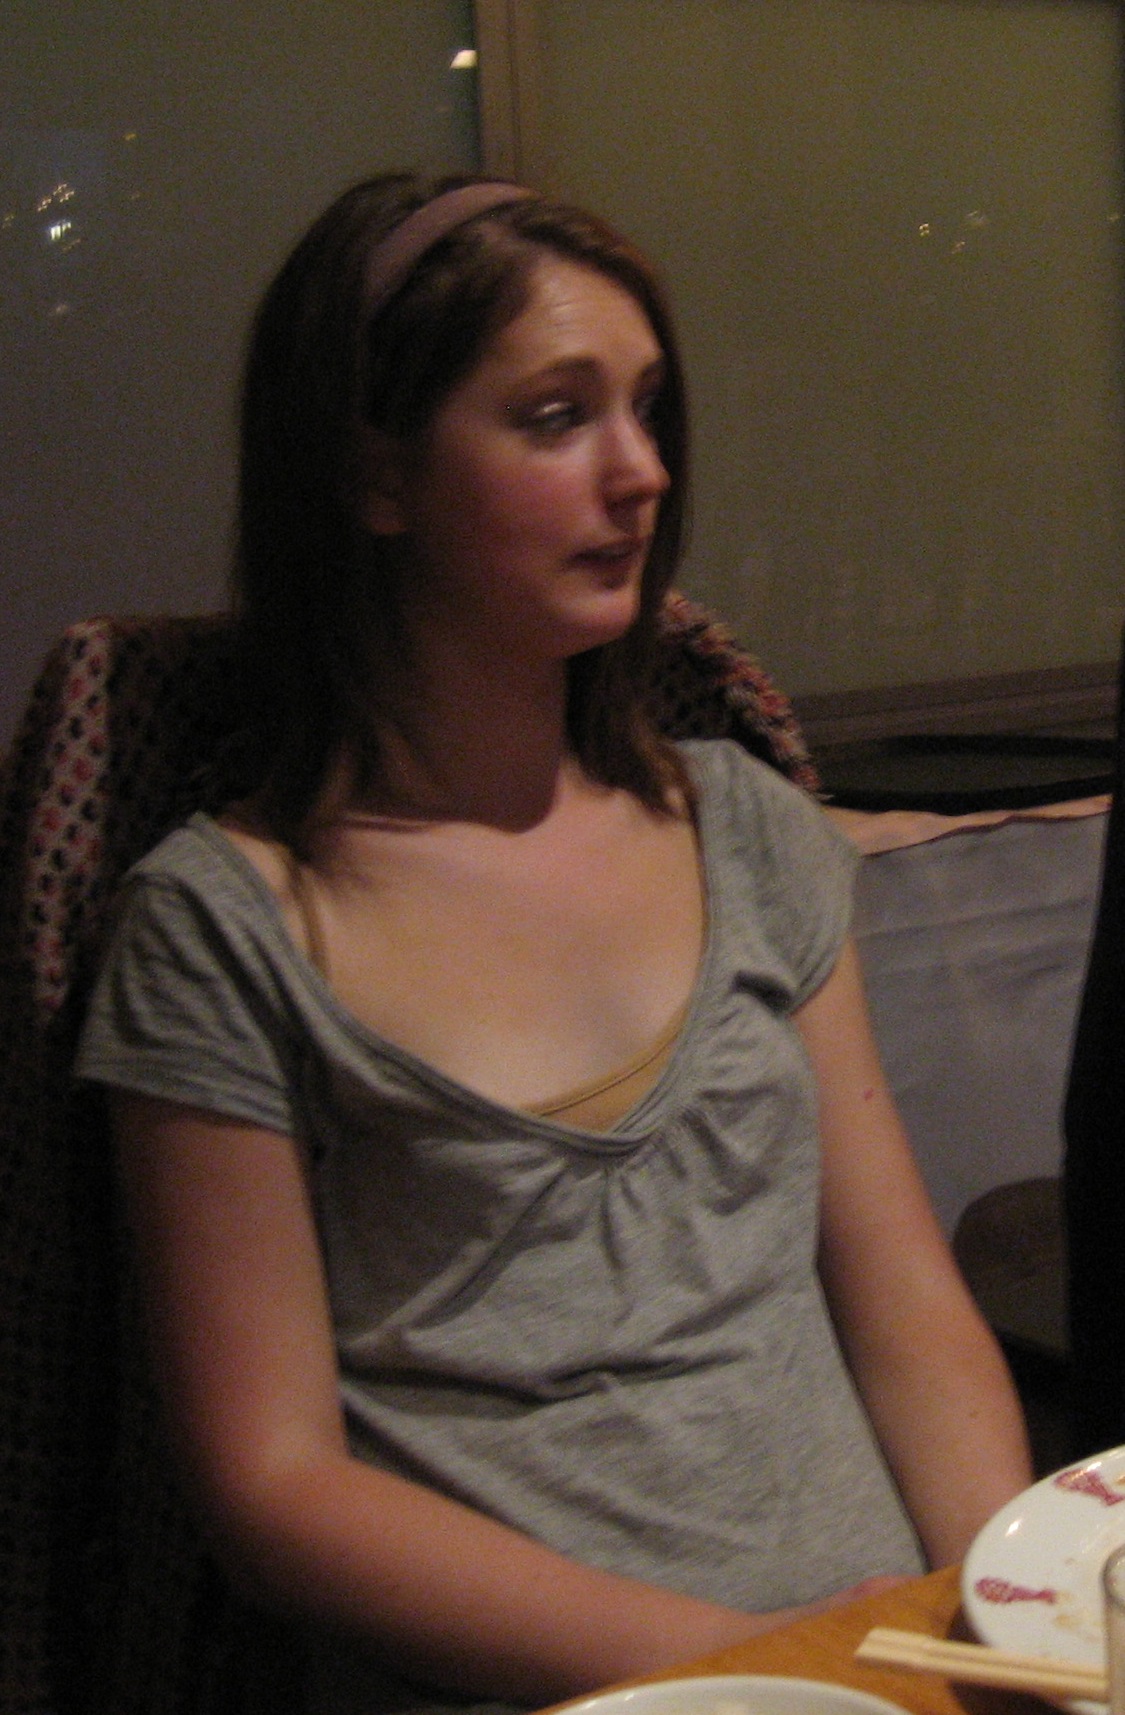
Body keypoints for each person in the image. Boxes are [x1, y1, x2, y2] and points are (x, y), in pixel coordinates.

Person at [76, 173, 1032, 1715]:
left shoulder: (743, 825)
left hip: (887, 1660)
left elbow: (901, 1305)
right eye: (552, 416)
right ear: (372, 473)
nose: (641, 472)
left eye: (649, 408)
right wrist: (755, 1671)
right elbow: (272, 1492)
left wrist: (996, 1604)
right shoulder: (229, 923)